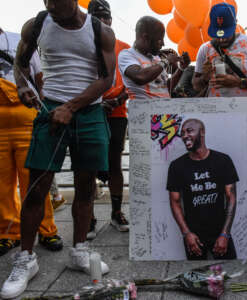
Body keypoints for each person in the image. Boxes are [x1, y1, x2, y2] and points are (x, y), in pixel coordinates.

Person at [1, 0, 115, 298]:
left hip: (88, 112)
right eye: (46, 0)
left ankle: (79, 250)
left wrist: (72, 106)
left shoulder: (98, 29)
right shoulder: (38, 23)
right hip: (50, 110)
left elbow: (107, 79)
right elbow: (21, 62)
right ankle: (26, 259)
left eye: (57, 1)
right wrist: (23, 84)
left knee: (86, 186)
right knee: (37, 188)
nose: (51, 5)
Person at [0, 29, 62, 258]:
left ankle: (46, 229)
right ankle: (9, 233)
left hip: (27, 120)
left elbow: (39, 78)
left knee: (34, 181)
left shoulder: (18, 39)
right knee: (2, 186)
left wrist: (47, 113)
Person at [86, 0, 130, 240]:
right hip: (90, 111)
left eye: (107, 17)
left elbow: (130, 83)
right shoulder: (82, 45)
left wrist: (119, 98)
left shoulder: (123, 47)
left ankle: (116, 212)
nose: (104, 21)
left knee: (114, 163)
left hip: (117, 112)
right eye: (98, 17)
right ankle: (89, 217)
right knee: (89, 165)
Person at [167, 119, 239, 260]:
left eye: (189, 131)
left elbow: (231, 197)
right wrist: (186, 233)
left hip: (220, 232)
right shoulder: (177, 166)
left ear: (202, 132)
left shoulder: (223, 161)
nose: (184, 136)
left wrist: (225, 234)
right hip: (193, 236)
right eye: (182, 133)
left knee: (230, 274)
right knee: (197, 277)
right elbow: (175, 202)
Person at [192, 3, 247, 97]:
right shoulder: (205, 49)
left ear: (235, 23)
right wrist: (204, 78)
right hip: (214, 109)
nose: (222, 39)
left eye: (226, 34)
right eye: (218, 35)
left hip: (245, 108)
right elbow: (196, 85)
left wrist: (239, 82)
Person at [119, 16, 190, 101]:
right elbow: (140, 76)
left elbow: (164, 88)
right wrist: (166, 61)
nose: (163, 44)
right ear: (145, 38)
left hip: (164, 112)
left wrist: (181, 68)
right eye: (160, 40)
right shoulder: (127, 55)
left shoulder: (156, 58)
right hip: (144, 112)